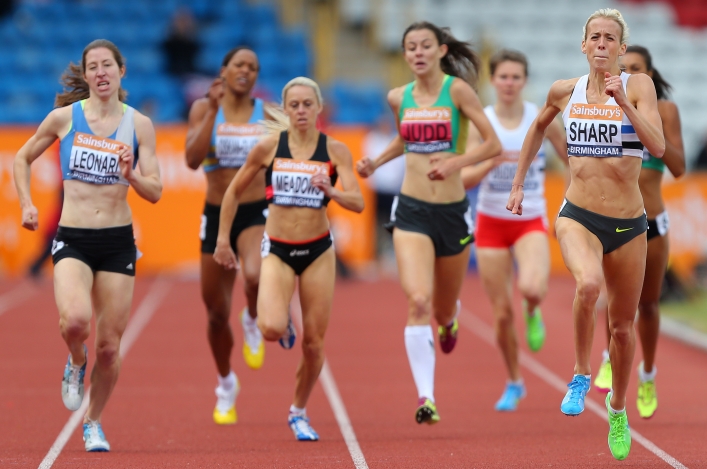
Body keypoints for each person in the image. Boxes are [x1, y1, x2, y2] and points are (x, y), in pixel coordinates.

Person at [506, 9, 665, 460]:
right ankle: (579, 373)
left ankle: (617, 409)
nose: (600, 44)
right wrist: (518, 183)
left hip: (630, 224)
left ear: (620, 48)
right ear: (583, 45)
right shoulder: (565, 90)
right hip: (578, 214)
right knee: (588, 284)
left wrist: (624, 104)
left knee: (621, 328)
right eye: (594, 37)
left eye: (609, 38)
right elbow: (537, 127)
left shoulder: (638, 87)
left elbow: (658, 147)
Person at [13, 39, 162, 452]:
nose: (100, 72)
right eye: (92, 66)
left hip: (117, 242)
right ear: (85, 75)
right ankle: (76, 361)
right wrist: (26, 204)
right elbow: (21, 158)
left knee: (110, 348)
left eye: (107, 65)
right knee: (75, 322)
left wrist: (132, 176)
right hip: (73, 238)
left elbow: (156, 190)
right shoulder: (64, 119)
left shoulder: (139, 125)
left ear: (121, 71)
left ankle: (93, 421)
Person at [356, 22, 501, 425]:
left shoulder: (457, 91)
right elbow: (405, 139)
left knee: (439, 309)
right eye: (409, 48)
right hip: (413, 210)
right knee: (417, 300)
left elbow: (491, 143)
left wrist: (455, 162)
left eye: (424, 46)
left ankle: (449, 317)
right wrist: (376, 161)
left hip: (452, 211)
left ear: (440, 50)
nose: (417, 53)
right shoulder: (397, 96)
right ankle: (427, 396)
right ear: (404, 55)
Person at [214, 77, 364, 441]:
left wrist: (332, 192)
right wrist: (222, 239)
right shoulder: (269, 148)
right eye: (294, 105)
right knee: (270, 328)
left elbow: (357, 202)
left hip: (317, 251)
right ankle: (283, 324)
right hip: (279, 249)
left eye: (307, 104)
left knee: (314, 344)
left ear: (318, 108)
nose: (300, 111)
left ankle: (298, 411)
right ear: (285, 109)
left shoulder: (335, 151)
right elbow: (233, 192)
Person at [459, 49, 568, 412]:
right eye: (502, 77)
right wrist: (492, 161)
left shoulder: (542, 118)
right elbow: (464, 179)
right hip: (491, 221)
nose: (508, 84)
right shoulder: (482, 122)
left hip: (530, 218)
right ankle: (514, 380)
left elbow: (573, 160)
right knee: (502, 313)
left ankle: (534, 309)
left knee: (532, 287)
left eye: (515, 77)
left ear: (525, 81)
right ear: (492, 81)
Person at [185, 46, 278, 425]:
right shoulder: (203, 109)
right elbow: (191, 160)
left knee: (255, 275)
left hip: (254, 212)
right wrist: (210, 109)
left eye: (254, 67)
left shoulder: (268, 115)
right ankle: (226, 383)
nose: (247, 71)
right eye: (239, 64)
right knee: (215, 313)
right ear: (223, 70)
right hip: (214, 212)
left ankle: (253, 318)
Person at [593, 45, 685, 420]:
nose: (627, 73)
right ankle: (608, 359)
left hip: (652, 222)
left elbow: (677, 166)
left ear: (647, 74)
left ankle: (647, 374)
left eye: (636, 69)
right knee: (612, 303)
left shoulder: (663, 110)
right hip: (614, 218)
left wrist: (652, 135)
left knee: (647, 304)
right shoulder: (598, 105)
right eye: (623, 67)